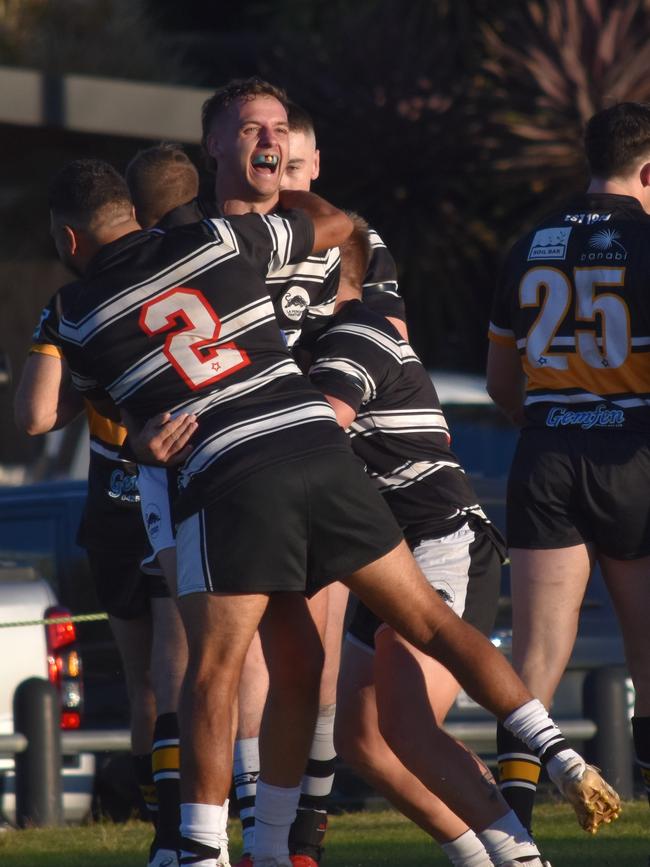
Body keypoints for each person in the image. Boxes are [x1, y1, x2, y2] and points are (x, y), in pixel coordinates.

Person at [47, 158, 618, 867]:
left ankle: (198, 846)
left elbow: (61, 408)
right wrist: (273, 222)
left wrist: (139, 435)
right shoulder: (227, 243)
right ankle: (552, 751)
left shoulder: (73, 313)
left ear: (71, 242)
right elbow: (337, 225)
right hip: (319, 456)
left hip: (239, 479)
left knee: (216, 670)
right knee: (343, 656)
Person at [307, 235, 539, 866]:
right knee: (362, 739)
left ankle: (520, 855)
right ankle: (480, 854)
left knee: (406, 727)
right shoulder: (320, 339)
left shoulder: (354, 334)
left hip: (440, 541)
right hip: (384, 554)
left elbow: (316, 432)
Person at [486, 100, 650, 834]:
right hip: (630, 456)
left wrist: (556, 420)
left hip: (545, 451)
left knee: (533, 668)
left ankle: (511, 835)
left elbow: (498, 383)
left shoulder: (529, 243)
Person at [14, 309, 187, 867]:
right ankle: (187, 832)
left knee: (147, 688)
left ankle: (166, 833)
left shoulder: (76, 306)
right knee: (176, 681)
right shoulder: (178, 287)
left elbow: (37, 416)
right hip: (166, 488)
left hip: (111, 497)